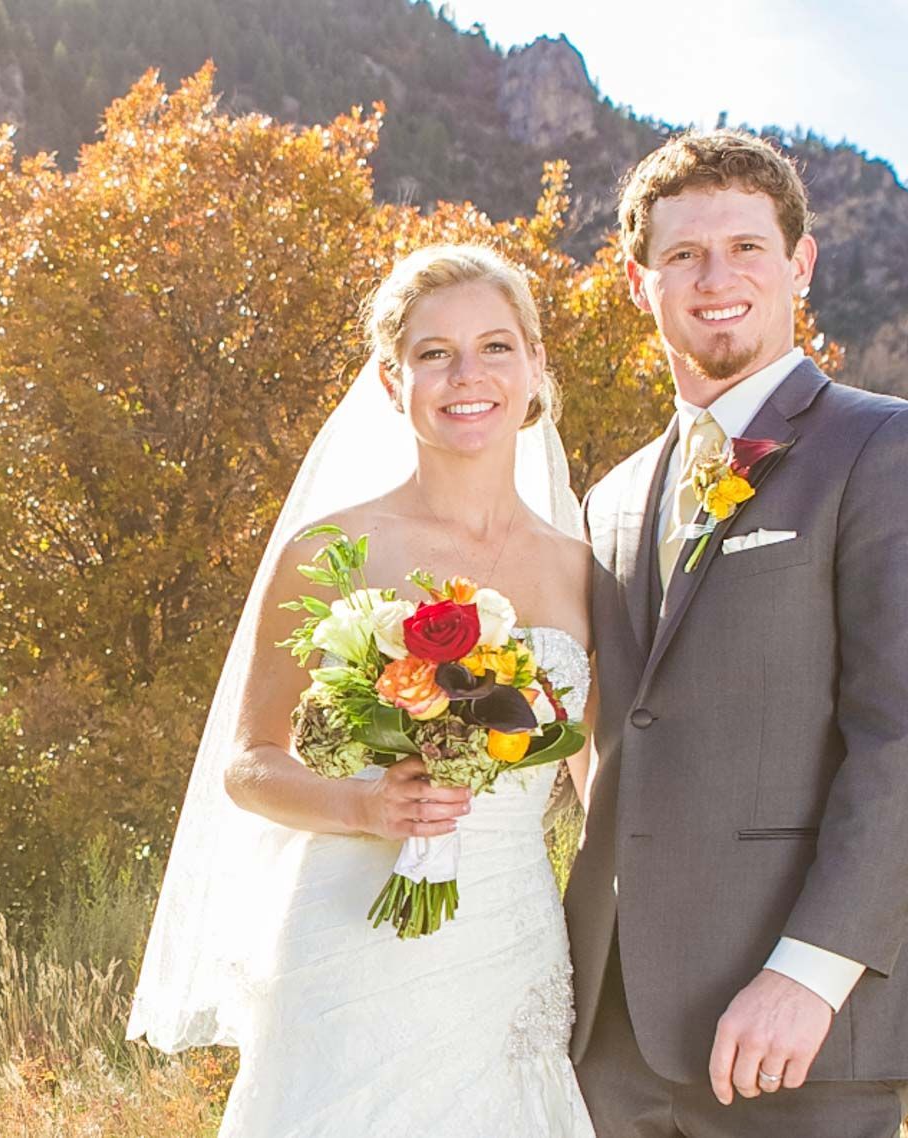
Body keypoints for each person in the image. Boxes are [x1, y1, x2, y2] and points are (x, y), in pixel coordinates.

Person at [568, 128, 908, 1137]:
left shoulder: (886, 446)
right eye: (682, 255)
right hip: (609, 1037)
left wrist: (810, 970)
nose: (717, 279)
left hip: (801, 1031)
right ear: (638, 281)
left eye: (747, 247)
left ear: (798, 262)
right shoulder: (611, 498)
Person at [128, 243, 598, 1135]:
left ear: (536, 367)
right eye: (434, 353)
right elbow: (247, 764)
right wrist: (365, 807)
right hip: (347, 938)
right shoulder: (328, 550)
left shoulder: (580, 572)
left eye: (496, 347)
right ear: (392, 383)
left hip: (509, 945)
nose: (468, 376)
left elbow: (603, 780)